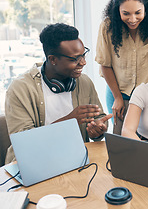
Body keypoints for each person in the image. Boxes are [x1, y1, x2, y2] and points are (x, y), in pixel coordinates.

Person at [5, 23, 112, 163]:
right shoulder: (20, 88)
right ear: (53, 59)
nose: (83, 63)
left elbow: (99, 119)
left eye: (83, 55)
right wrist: (70, 120)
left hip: (76, 159)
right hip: (33, 162)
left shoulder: (84, 82)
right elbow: (24, 143)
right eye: (75, 59)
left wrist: (98, 130)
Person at [95, 0, 148, 135]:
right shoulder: (107, 27)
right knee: (122, 141)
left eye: (138, 12)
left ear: (146, 8)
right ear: (117, 10)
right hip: (118, 92)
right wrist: (117, 97)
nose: (133, 19)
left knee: (147, 139)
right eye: (126, 13)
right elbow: (105, 64)